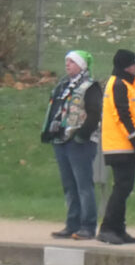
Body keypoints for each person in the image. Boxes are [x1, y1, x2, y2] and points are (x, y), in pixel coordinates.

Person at [40, 49, 102, 241]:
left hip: (79, 142)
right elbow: (55, 109)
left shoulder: (90, 87)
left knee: (83, 184)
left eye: (72, 62)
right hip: (60, 140)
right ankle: (72, 223)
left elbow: (94, 113)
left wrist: (82, 135)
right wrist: (48, 131)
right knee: (69, 185)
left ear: (82, 65)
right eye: (66, 61)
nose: (67, 65)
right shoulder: (62, 86)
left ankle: (88, 225)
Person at [99, 49, 135, 245]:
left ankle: (119, 228)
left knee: (124, 187)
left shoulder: (126, 84)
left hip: (123, 144)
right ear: (125, 66)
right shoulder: (119, 85)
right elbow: (122, 114)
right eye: (133, 63)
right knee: (122, 187)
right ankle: (108, 228)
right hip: (121, 145)